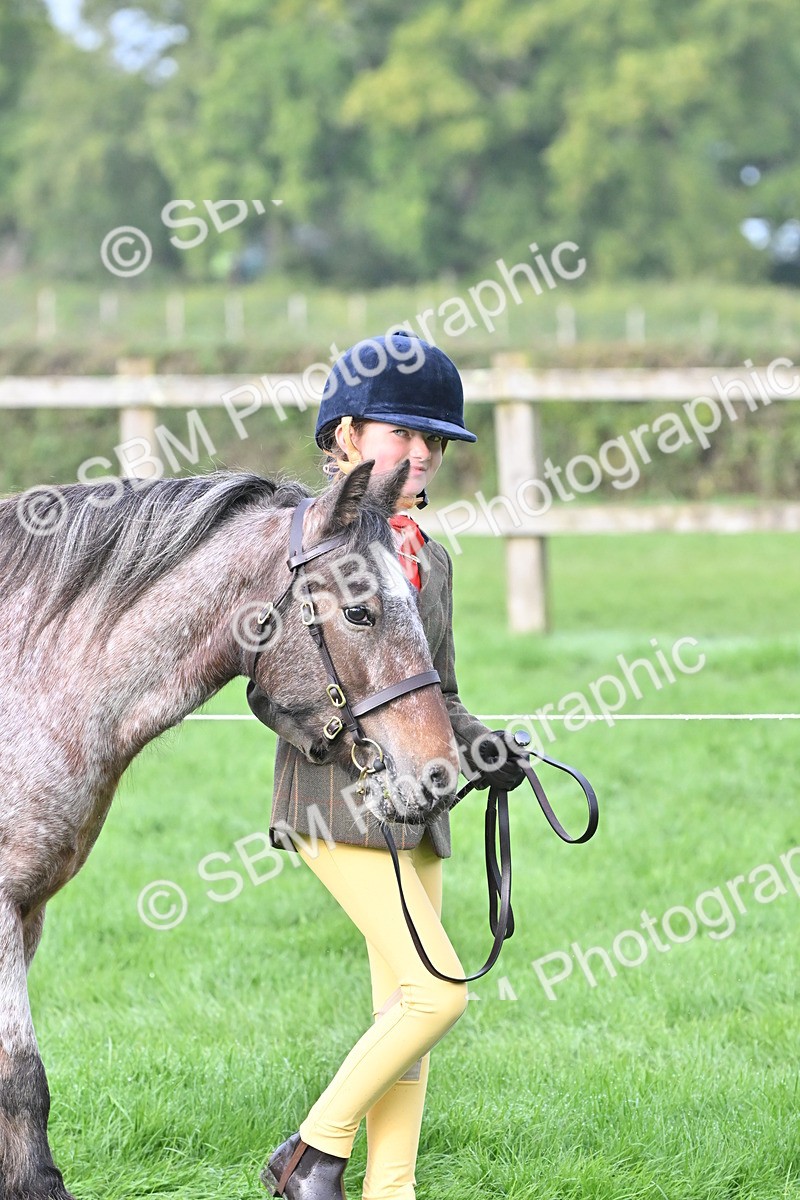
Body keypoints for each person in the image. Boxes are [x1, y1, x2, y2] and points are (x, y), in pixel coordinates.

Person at [251, 332, 525, 1200]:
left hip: (421, 809)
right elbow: (272, 686)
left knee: (404, 1012)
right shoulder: (308, 546)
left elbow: (437, 691)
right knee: (438, 995)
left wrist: (484, 745)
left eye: (434, 439)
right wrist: (359, 738)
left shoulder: (428, 556)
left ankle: (391, 1189)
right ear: (345, 436)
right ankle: (310, 1154)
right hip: (336, 802)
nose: (423, 453)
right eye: (402, 433)